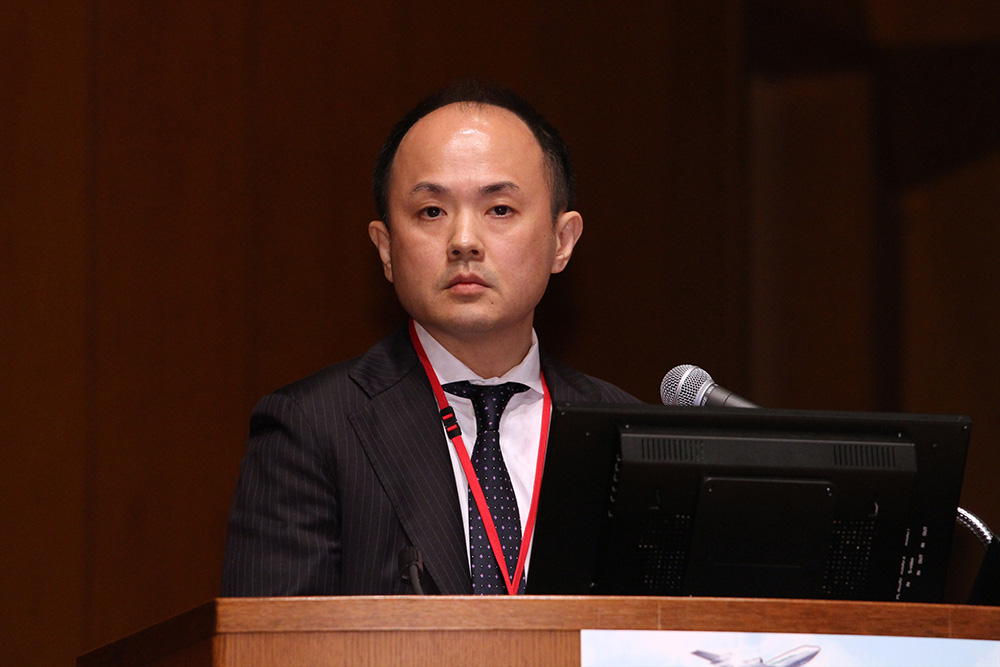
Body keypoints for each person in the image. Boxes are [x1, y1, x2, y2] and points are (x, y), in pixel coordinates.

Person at [221, 81, 638, 596]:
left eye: (499, 209)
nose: (464, 241)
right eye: (431, 212)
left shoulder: (627, 435)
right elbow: (276, 637)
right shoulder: (310, 431)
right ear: (386, 248)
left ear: (562, 240)